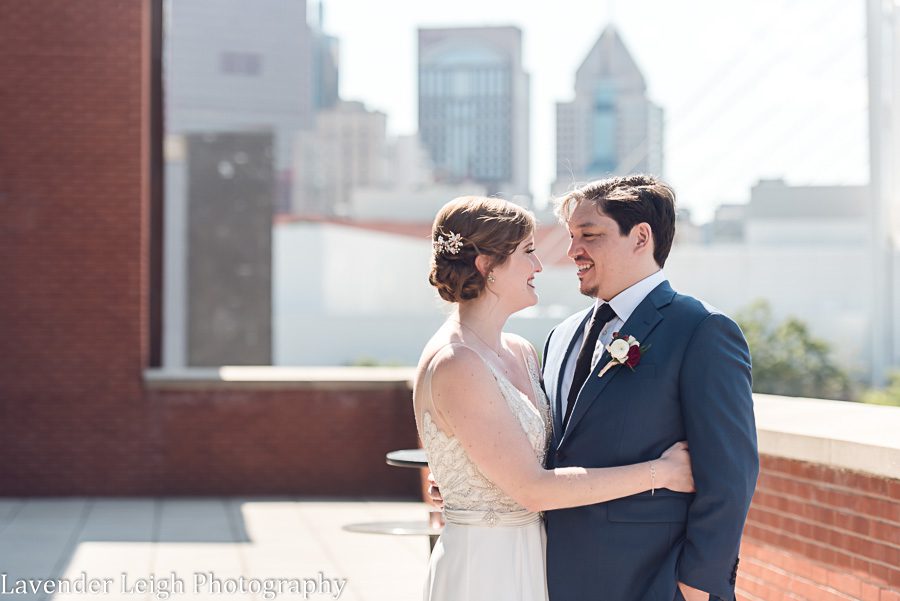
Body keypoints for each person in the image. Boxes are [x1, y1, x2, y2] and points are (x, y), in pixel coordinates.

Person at [414, 195, 695, 601]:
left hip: (540, 558)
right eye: (527, 252)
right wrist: (662, 473)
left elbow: (545, 453)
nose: (539, 265)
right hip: (486, 568)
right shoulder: (456, 362)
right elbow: (534, 488)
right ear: (486, 266)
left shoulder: (522, 351)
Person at [541, 175, 759, 601]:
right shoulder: (560, 336)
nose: (572, 251)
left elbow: (730, 476)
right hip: (553, 576)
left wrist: (697, 585)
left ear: (641, 237)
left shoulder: (702, 330)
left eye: (589, 235)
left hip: (651, 582)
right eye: (570, 236)